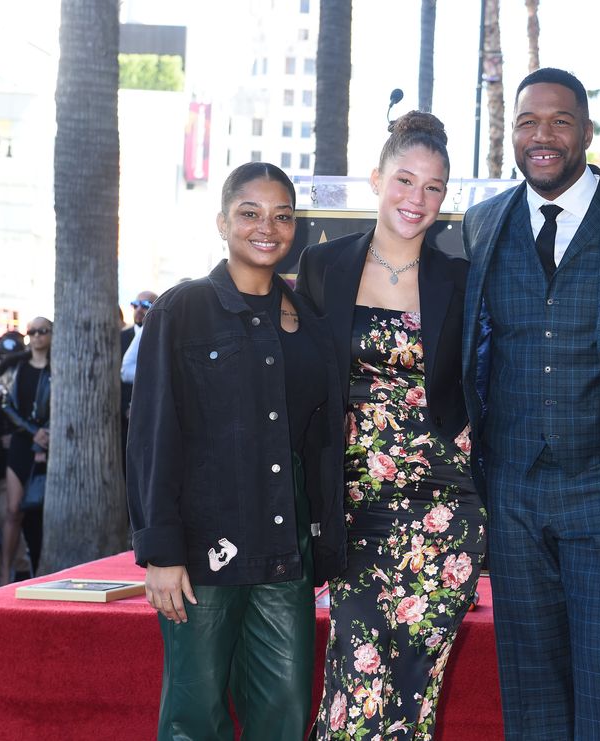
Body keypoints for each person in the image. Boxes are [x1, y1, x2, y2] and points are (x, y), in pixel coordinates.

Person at [460, 67, 600, 739]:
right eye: (528, 122)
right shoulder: (483, 225)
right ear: (512, 135)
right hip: (513, 494)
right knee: (528, 692)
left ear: (586, 131)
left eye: (560, 121)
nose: (543, 136)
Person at [127, 162, 347, 740]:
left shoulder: (310, 322)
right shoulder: (182, 311)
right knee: (193, 717)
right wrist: (160, 552)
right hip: (203, 552)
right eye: (250, 213)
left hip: (284, 549)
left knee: (286, 707)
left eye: (282, 216)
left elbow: (316, 442)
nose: (267, 228)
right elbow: (152, 435)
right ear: (222, 221)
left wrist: (324, 538)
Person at [297, 111, 485, 740]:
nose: (417, 199)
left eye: (433, 188)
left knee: (413, 682)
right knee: (357, 675)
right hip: (358, 502)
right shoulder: (325, 267)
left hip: (446, 508)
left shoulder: (460, 278)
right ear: (377, 178)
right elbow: (304, 382)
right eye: (405, 181)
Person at [0, 317, 52, 585]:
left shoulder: (59, 369)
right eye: (31, 331)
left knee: (41, 516)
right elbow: (6, 404)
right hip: (23, 443)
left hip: (51, 447)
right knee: (13, 511)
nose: (37, 336)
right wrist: (33, 431)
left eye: (42, 331)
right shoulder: (16, 367)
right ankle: (5, 572)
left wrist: (48, 434)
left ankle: (40, 573)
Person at [120, 290, 158, 477]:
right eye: (136, 304)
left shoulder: (161, 335)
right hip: (123, 420)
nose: (139, 309)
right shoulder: (120, 338)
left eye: (146, 305)